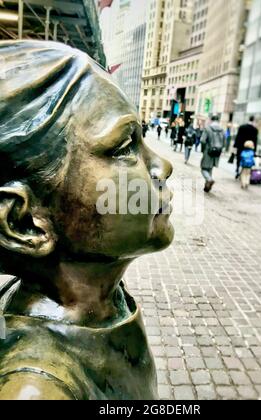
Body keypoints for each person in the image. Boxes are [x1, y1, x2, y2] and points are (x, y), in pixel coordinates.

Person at [0, 41, 174, 400]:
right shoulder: (36, 390)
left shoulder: (102, 303)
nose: (162, 167)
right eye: (124, 147)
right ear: (25, 223)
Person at [201, 115, 226, 193]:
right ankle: (207, 187)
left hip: (208, 150)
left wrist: (203, 149)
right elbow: (224, 143)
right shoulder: (222, 130)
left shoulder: (208, 128)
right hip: (217, 151)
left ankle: (209, 180)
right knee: (210, 168)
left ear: (211, 120)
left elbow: (202, 140)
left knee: (204, 168)